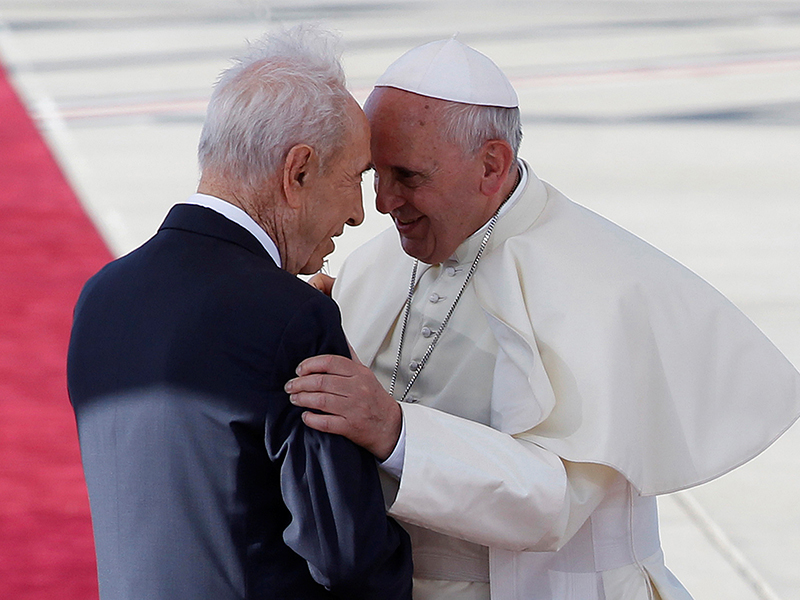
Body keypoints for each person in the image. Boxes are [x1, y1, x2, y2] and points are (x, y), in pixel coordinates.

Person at [285, 38, 800, 600]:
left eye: (407, 177)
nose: (382, 203)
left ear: (491, 165)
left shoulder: (598, 285)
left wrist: (395, 429)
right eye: (373, 173)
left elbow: (552, 506)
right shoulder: (376, 265)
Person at [67, 26, 413, 600]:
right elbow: (347, 558)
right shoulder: (295, 320)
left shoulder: (102, 295)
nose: (358, 212)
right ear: (298, 171)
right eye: (356, 177)